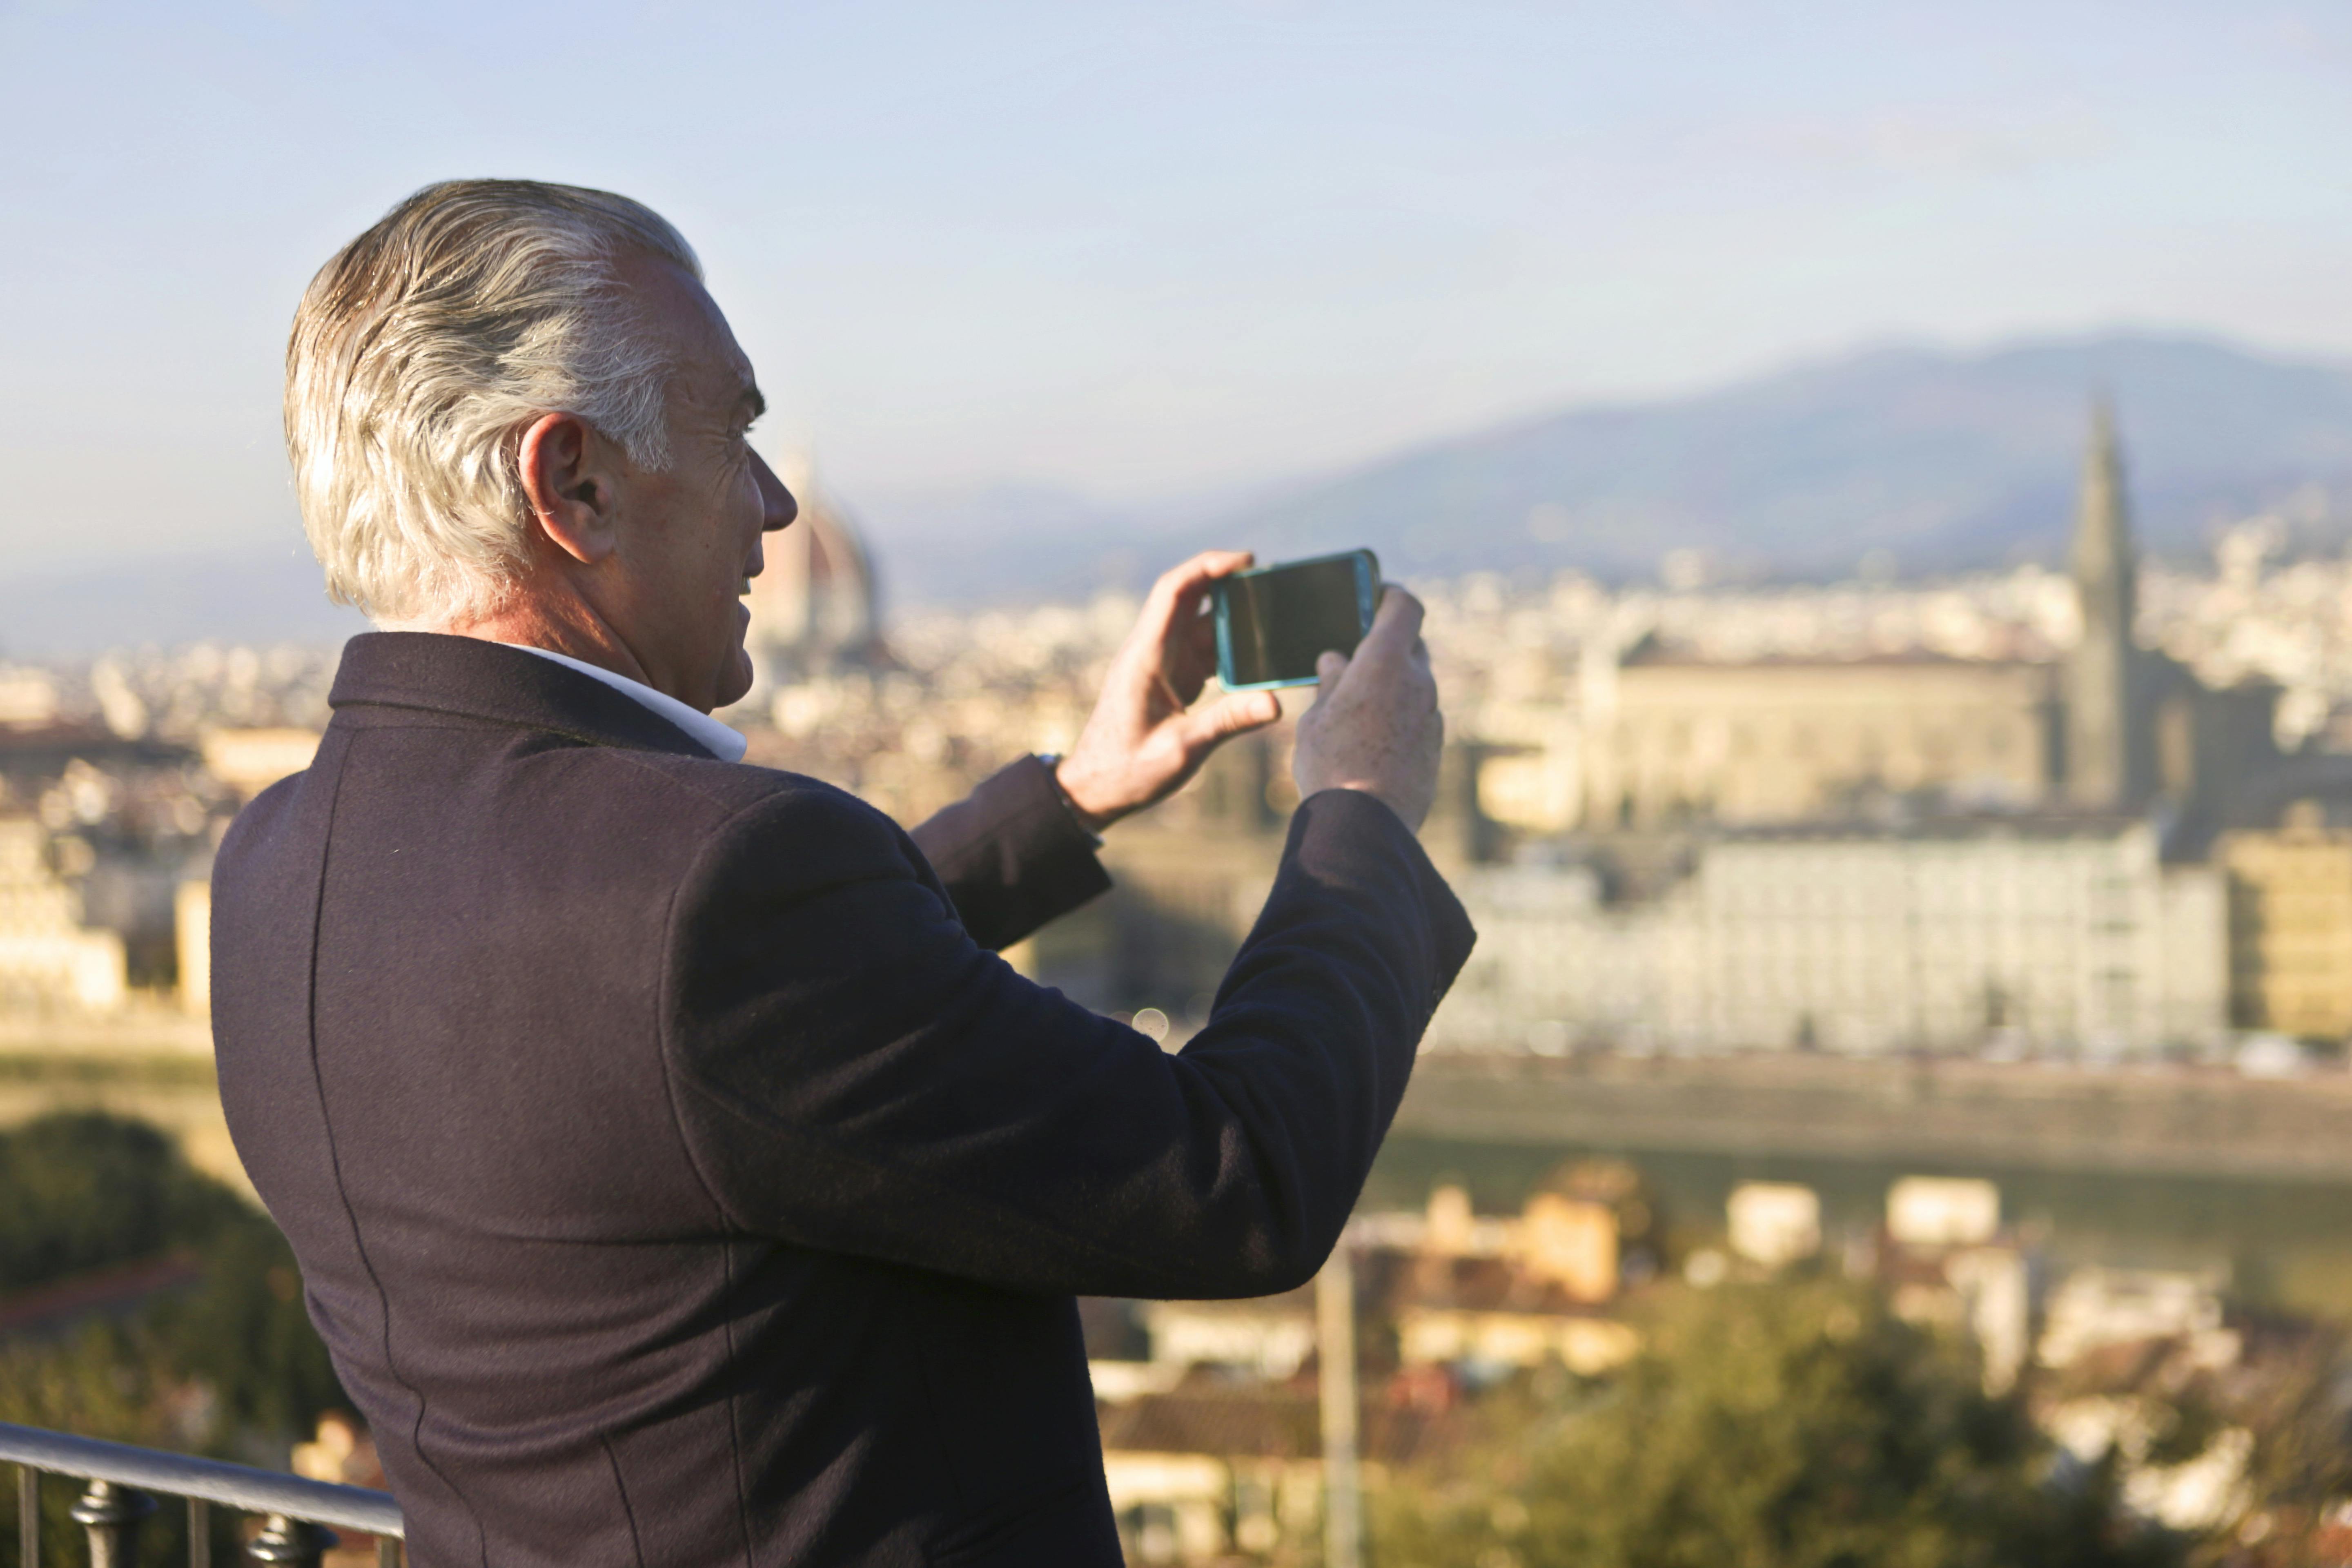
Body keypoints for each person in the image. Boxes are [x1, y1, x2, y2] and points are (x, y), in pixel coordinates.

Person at [213, 178, 1471, 1568]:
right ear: (572, 482)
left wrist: (1064, 804)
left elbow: (665, 1036)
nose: (774, 503)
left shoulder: (278, 865)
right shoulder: (712, 886)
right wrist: (1363, 813)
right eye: (732, 432)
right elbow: (1239, 1180)